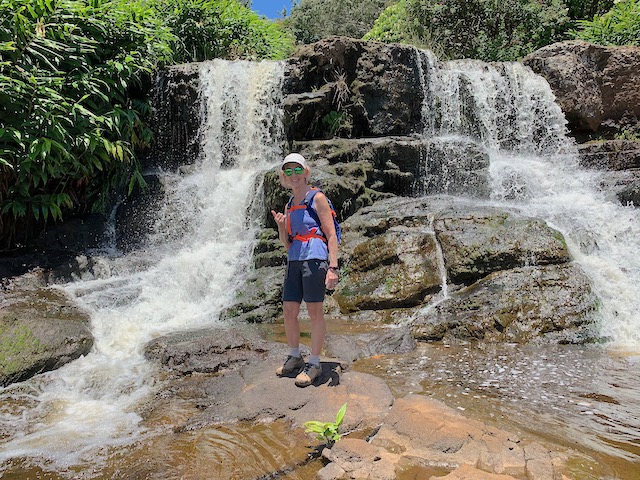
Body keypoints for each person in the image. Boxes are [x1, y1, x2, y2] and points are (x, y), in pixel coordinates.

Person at [270, 153, 339, 387]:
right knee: (289, 310)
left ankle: (315, 362)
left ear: (305, 172)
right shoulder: (290, 203)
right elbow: (288, 242)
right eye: (288, 171)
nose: (293, 175)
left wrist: (333, 267)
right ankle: (294, 355)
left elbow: (330, 234)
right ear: (284, 176)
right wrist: (281, 226)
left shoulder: (317, 197)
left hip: (315, 257)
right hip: (295, 258)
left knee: (314, 311)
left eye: (297, 170)